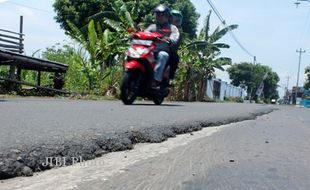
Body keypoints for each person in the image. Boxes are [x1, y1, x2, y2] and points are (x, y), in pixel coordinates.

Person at [145, 4, 180, 88]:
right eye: (158, 14)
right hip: (152, 51)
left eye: (162, 14)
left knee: (162, 55)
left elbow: (175, 37)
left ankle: (155, 80)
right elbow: (145, 33)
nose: (160, 16)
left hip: (164, 51)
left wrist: (170, 39)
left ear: (167, 16)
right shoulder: (152, 27)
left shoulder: (172, 28)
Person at [169, 9, 183, 85]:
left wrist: (170, 42)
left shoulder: (179, 31)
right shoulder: (162, 25)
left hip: (169, 50)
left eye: (178, 19)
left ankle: (170, 78)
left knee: (175, 58)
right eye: (174, 18)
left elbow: (176, 43)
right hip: (156, 47)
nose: (176, 20)